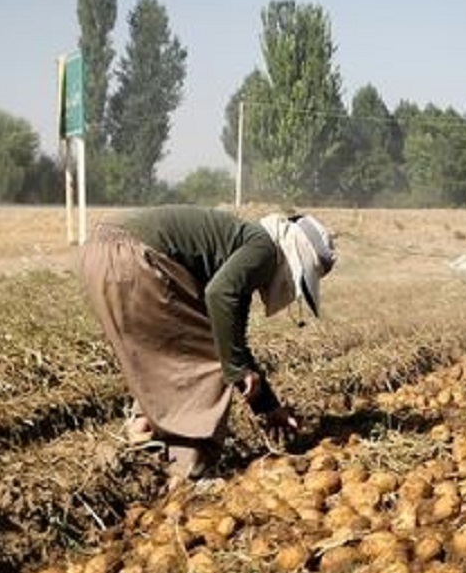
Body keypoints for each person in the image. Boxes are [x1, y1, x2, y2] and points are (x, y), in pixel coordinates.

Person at [80, 206, 337, 483]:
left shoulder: (243, 245)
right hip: (135, 256)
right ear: (294, 257)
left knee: (172, 350)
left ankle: (142, 427)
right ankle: (188, 470)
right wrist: (235, 368)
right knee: (209, 357)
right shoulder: (263, 249)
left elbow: (232, 338)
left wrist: (268, 406)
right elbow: (220, 299)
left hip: (100, 252)